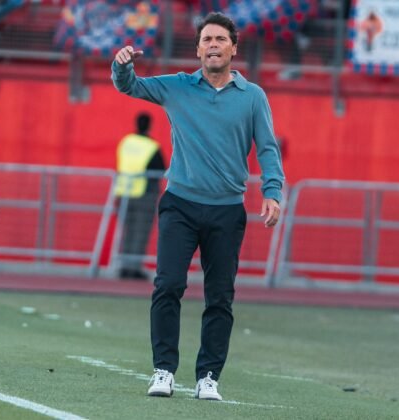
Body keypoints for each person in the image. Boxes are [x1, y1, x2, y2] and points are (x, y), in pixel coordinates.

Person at [112, 12, 285, 401]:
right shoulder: (177, 86)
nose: (213, 45)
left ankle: (208, 377)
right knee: (168, 285)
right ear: (198, 50)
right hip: (180, 205)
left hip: (227, 211)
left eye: (220, 39)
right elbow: (130, 86)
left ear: (233, 48)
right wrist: (122, 66)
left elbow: (267, 148)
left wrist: (272, 191)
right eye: (206, 39)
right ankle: (163, 371)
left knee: (220, 296)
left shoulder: (253, 97)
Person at [114, 112, 165, 280]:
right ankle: (134, 267)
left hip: (123, 192)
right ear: (150, 126)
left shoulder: (126, 142)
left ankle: (124, 265)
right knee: (140, 231)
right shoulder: (151, 146)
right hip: (144, 193)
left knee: (128, 231)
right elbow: (160, 169)